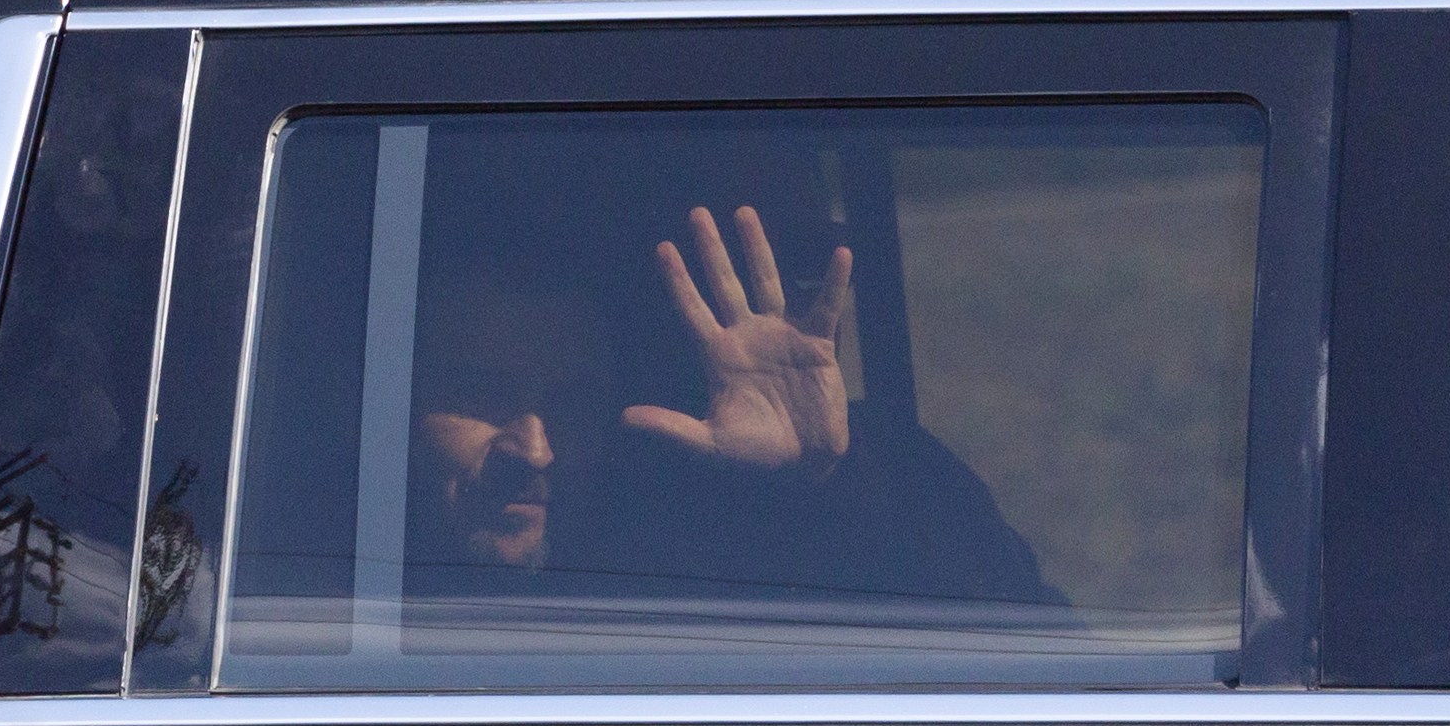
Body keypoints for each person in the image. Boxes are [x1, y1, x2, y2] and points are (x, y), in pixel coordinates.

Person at [407, 204, 1060, 615]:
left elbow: (1022, 649)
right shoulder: (324, 592)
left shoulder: (689, 570)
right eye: (482, 398)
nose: (536, 448)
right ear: (399, 403)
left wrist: (829, 483)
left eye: (574, 404)